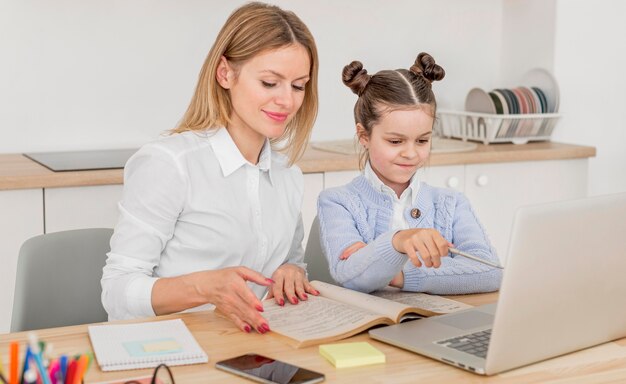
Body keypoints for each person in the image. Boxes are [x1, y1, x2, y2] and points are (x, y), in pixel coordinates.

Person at [101, 2, 320, 335]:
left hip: (253, 350)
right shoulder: (170, 165)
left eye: (298, 85)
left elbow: (291, 260)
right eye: (270, 82)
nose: (287, 101)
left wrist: (292, 271)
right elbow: (117, 291)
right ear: (225, 73)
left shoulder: (287, 174)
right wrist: (203, 288)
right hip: (170, 351)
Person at [317, 53, 502, 294]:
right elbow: (351, 276)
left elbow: (490, 273)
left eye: (422, 140)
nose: (411, 153)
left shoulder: (451, 203)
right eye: (395, 141)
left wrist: (397, 275)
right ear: (364, 136)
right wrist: (399, 241)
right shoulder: (337, 202)